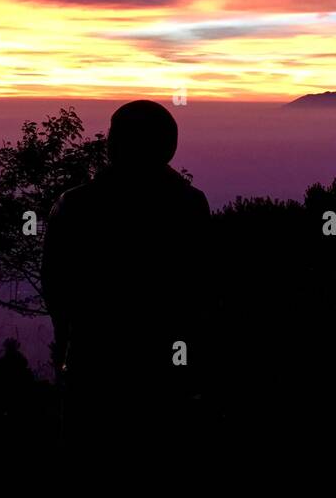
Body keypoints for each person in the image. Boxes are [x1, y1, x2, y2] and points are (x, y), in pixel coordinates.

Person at [41, 100, 210, 448]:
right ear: (169, 147)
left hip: (94, 369)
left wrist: (68, 347)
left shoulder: (74, 206)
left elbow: (56, 288)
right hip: (166, 372)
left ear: (114, 144)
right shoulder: (190, 205)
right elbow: (201, 288)